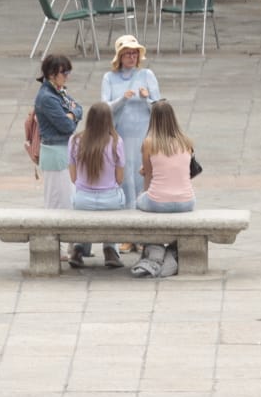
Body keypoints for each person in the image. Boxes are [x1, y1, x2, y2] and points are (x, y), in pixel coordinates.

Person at [133, 100, 196, 278]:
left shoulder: (149, 143)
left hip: (158, 201)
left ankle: (155, 248)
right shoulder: (186, 142)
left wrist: (145, 193)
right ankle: (170, 252)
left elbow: (149, 176)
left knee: (139, 202)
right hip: (186, 201)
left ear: (153, 120)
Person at [101, 33, 160, 221]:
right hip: (121, 135)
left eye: (134, 54)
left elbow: (159, 107)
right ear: (119, 57)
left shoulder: (147, 75)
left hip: (143, 135)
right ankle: (127, 225)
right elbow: (104, 107)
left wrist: (146, 98)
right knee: (124, 176)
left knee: (143, 175)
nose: (132, 57)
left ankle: (144, 223)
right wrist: (122, 99)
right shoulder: (109, 78)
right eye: (127, 54)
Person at [67, 102, 127, 270]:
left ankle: (79, 249)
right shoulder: (116, 142)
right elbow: (120, 178)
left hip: (83, 200)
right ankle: (110, 249)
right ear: (109, 120)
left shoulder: (75, 140)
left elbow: (73, 177)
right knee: (119, 197)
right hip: (110, 200)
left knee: (82, 207)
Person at [33, 54, 84, 250]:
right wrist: (71, 115)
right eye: (64, 72)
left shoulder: (59, 92)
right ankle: (58, 248)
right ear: (52, 74)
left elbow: (78, 108)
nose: (67, 76)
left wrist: (72, 114)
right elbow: (66, 126)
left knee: (68, 199)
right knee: (57, 201)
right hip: (55, 153)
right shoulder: (46, 97)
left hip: (64, 151)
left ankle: (70, 246)